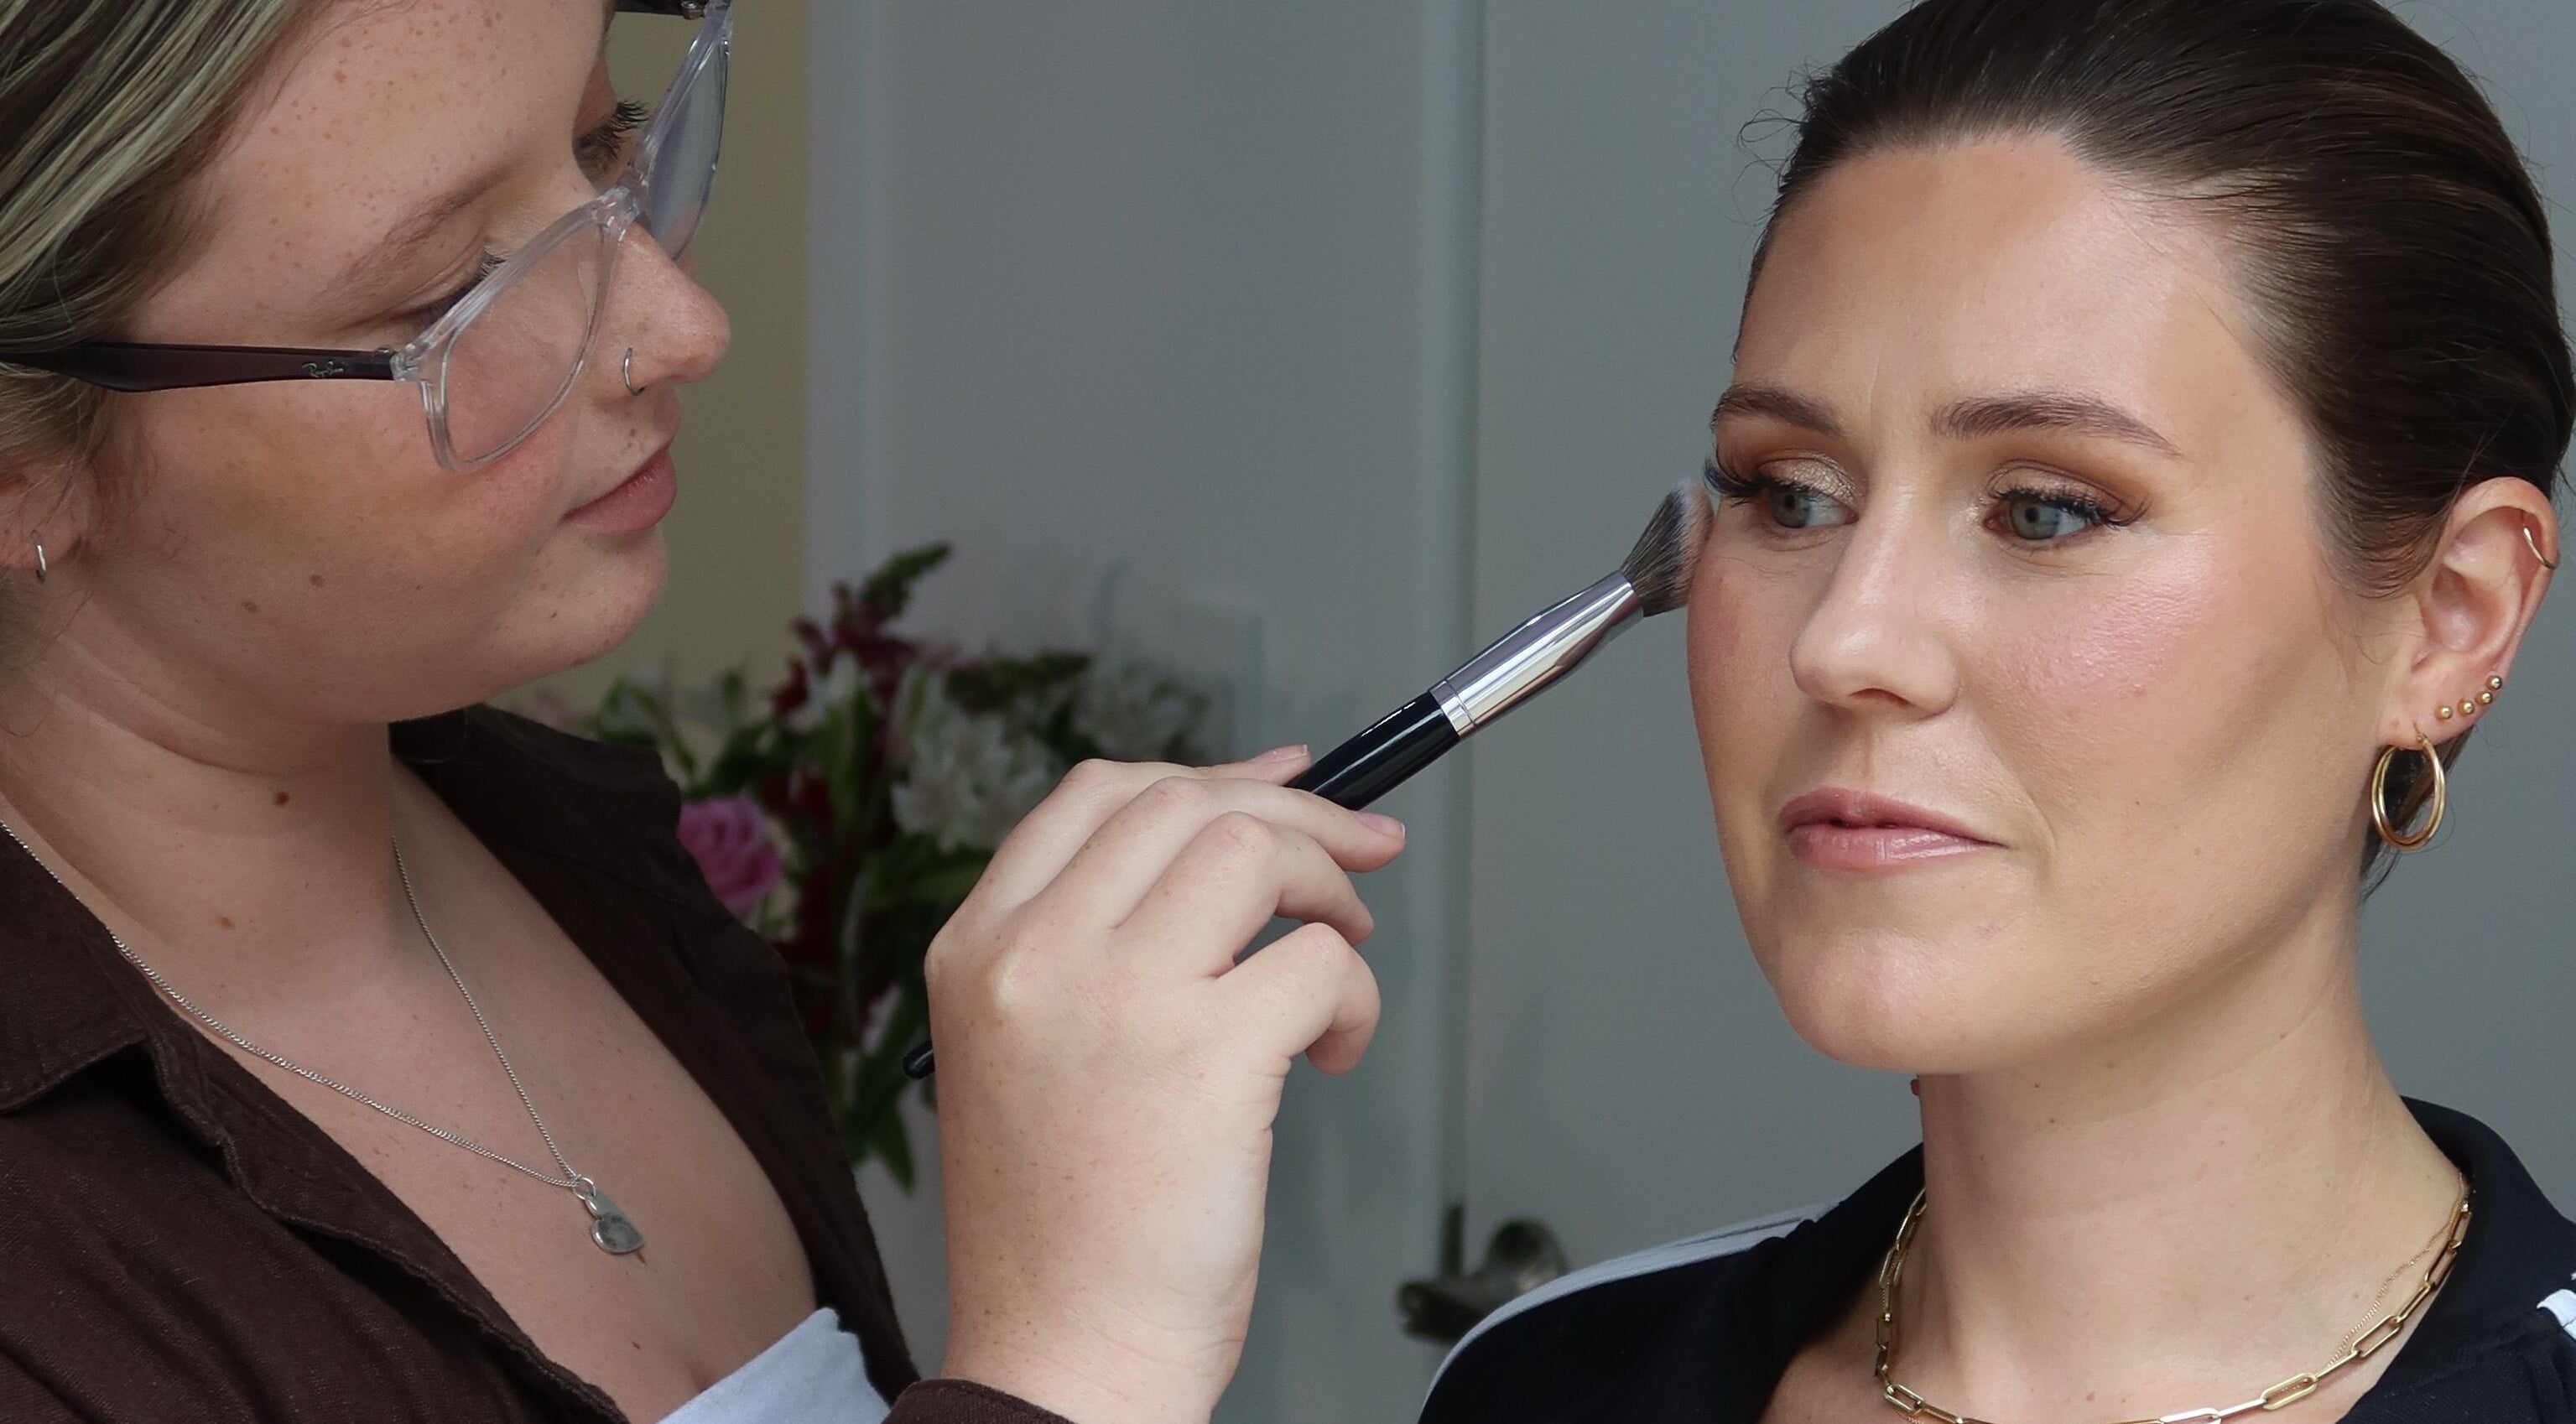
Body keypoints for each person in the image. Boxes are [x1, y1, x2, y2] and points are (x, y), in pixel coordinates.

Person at [0, 3, 1392, 1421]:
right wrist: (1073, 1366)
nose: (683, 325)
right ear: (19, 459)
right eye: (451, 291)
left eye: (608, 145)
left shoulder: (578, 849)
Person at [1411, 0, 2576, 1419]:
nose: (1844, 642)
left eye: (2043, 509)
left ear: (2449, 617)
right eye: (1790, 494)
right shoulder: (1547, 1386)